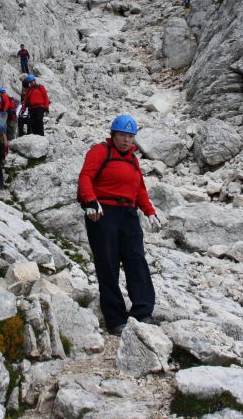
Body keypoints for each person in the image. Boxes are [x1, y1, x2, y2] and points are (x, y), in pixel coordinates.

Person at [78, 115, 162, 336]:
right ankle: (115, 319)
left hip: (129, 214)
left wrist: (150, 212)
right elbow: (86, 176)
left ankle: (143, 312)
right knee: (108, 263)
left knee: (136, 259)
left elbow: (139, 189)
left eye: (130, 136)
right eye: (122, 135)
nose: (126, 140)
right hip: (103, 212)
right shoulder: (100, 151)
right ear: (113, 135)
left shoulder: (133, 160)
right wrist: (90, 200)